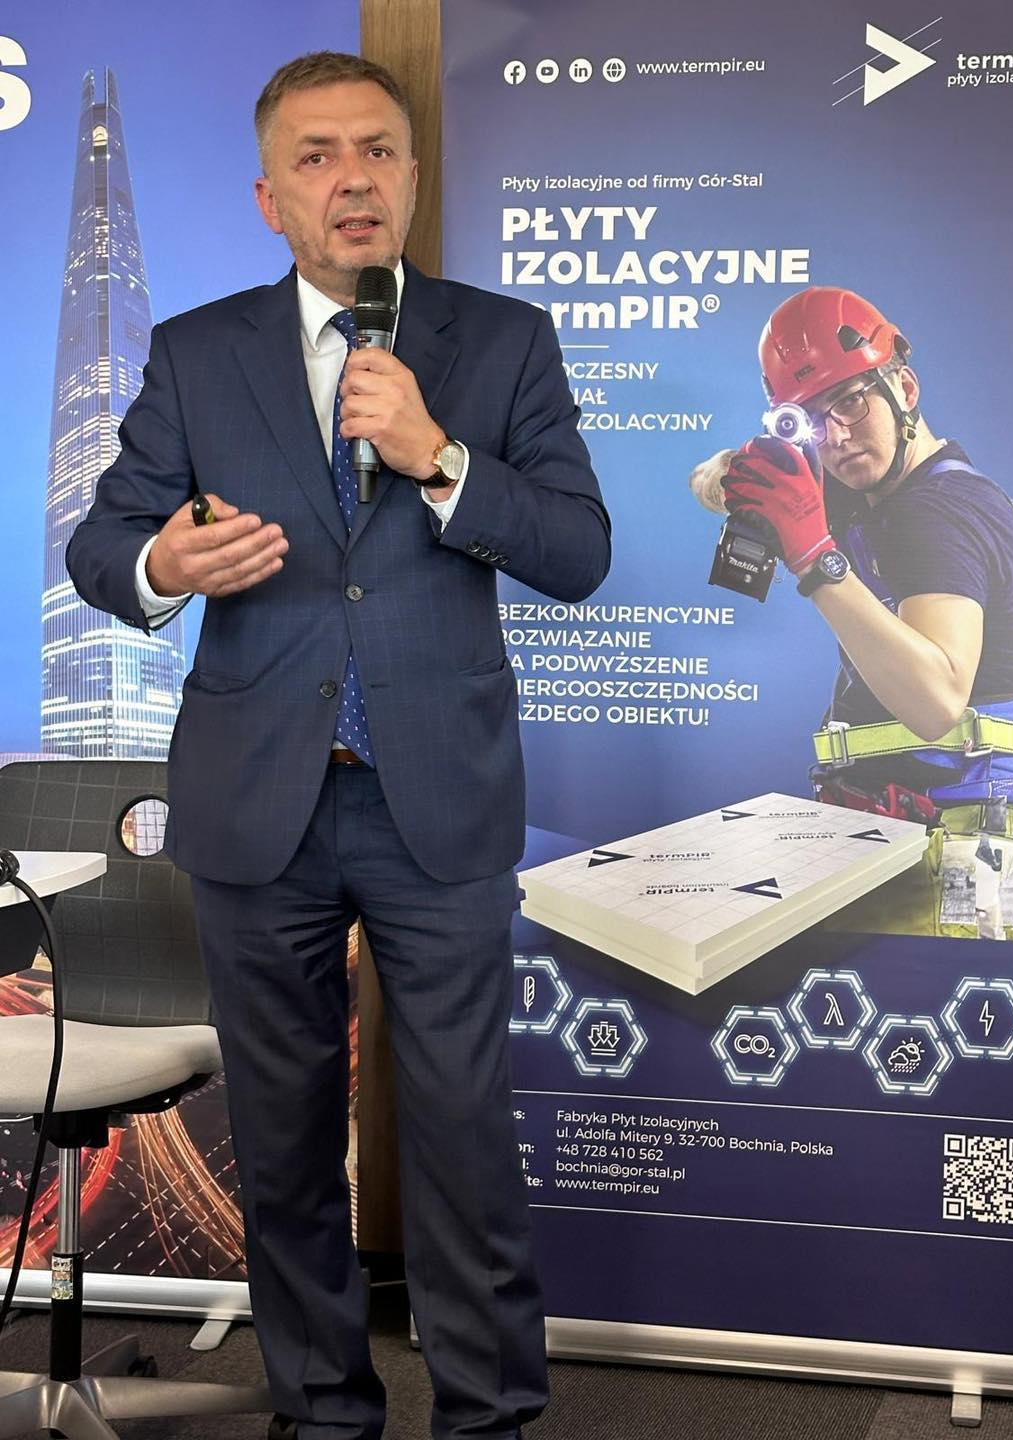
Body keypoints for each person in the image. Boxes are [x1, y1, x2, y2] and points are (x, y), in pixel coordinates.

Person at [66, 51, 610, 1440]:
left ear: (413, 179)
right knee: (286, 1144)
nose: (351, 179)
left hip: (439, 798)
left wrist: (440, 457)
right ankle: (320, 1415)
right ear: (270, 197)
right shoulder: (198, 351)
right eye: (315, 156)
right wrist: (166, 564)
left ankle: (489, 1419)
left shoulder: (504, 342)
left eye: (376, 150)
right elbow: (103, 545)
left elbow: (578, 551)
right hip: (260, 802)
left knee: (465, 1139)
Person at [691, 286, 1013, 941]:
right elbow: (706, 486)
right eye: (810, 419)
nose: (837, 435)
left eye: (850, 401)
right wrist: (742, 470)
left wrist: (814, 557)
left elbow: (936, 702)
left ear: (905, 389)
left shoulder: (936, 514)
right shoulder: (886, 495)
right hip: (901, 831)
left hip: (952, 844)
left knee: (926, 996)